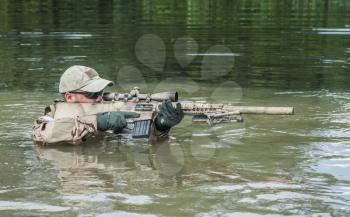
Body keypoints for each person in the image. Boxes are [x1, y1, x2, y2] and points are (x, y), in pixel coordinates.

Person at [32, 65, 183, 145]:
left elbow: (143, 141)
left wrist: (160, 126)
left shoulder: (110, 110)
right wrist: (97, 122)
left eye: (101, 92)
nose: (99, 98)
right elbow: (42, 136)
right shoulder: (51, 116)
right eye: (92, 94)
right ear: (70, 97)